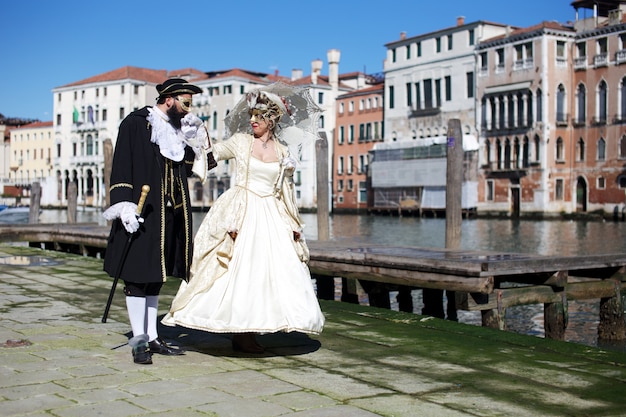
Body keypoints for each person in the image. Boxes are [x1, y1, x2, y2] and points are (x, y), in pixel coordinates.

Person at [162, 85, 325, 353]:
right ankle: (240, 333)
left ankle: (255, 328)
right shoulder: (241, 142)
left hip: (271, 215)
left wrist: (294, 225)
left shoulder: (284, 153)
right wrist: (199, 137)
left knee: (267, 274)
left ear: (271, 120)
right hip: (241, 211)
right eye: (251, 116)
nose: (252, 121)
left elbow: (285, 193)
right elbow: (213, 154)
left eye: (258, 117)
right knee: (238, 272)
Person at [103, 78, 206, 364]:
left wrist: (197, 141)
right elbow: (122, 165)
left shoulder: (177, 130)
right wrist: (123, 207)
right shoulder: (136, 124)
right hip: (141, 214)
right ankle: (139, 341)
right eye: (185, 102)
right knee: (137, 278)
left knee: (155, 278)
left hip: (169, 215)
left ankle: (152, 336)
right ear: (169, 99)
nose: (188, 109)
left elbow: (188, 167)